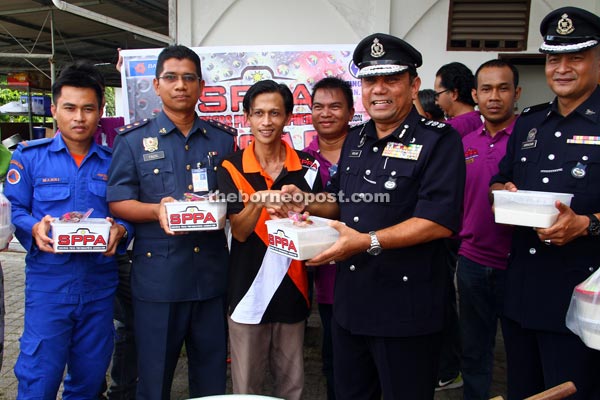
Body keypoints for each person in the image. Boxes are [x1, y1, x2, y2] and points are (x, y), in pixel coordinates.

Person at [281, 33, 466, 399]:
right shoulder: (357, 138)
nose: (378, 90)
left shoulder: (438, 140)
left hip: (406, 311)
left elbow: (438, 220)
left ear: (413, 85)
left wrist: (367, 242)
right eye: (370, 80)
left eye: (391, 79)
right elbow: (341, 203)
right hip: (352, 309)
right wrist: (304, 201)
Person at [106, 44, 236, 400]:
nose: (180, 85)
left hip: (210, 278)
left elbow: (235, 200)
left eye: (188, 78)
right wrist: (155, 211)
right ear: (156, 84)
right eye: (171, 78)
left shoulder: (223, 141)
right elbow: (117, 200)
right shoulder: (133, 141)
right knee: (154, 377)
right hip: (159, 281)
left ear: (200, 86)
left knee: (211, 378)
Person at [490, 7, 600, 399]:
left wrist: (587, 224)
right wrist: (503, 192)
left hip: (584, 304)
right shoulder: (530, 123)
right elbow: (499, 178)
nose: (563, 68)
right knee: (524, 391)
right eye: (555, 58)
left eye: (576, 57)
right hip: (522, 293)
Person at [4, 61, 131, 398]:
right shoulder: (30, 158)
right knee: (39, 377)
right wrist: (34, 228)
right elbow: (16, 209)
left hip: (99, 286)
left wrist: (122, 230)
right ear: (54, 109)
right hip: (49, 286)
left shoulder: (114, 160)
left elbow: (127, 211)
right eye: (70, 108)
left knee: (89, 379)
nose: (79, 118)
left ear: (101, 111)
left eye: (88, 109)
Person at [217, 79, 321, 400]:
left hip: (294, 287)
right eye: (258, 113)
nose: (266, 122)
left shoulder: (308, 165)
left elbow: (320, 221)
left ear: (288, 116)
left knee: (292, 386)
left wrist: (305, 205)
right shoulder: (231, 166)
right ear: (247, 116)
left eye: (274, 113)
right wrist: (260, 199)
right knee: (247, 388)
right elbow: (241, 230)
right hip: (247, 291)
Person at [458, 59, 521, 400]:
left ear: (517, 93)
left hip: (518, 263)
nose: (494, 97)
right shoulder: (464, 143)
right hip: (470, 260)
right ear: (474, 95)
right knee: (475, 349)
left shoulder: (529, 141)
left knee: (520, 350)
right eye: (486, 89)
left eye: (503, 88)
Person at [303, 77, 355, 400]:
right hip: (327, 276)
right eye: (318, 107)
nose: (326, 113)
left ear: (350, 112)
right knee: (335, 356)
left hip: (369, 268)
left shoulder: (367, 152)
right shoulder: (302, 160)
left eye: (335, 106)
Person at [435, 62, 482, 136]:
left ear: (454, 94)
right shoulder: (476, 120)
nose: (436, 103)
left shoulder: (453, 127)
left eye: (437, 95)